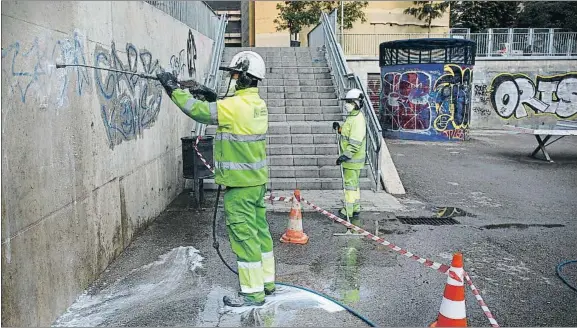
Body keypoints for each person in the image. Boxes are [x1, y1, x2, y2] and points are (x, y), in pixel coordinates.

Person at [156, 51, 275, 307]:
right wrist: (214, 98)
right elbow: (227, 110)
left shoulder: (233, 107)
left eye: (233, 74)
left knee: (243, 237)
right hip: (256, 183)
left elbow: (197, 111)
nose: (231, 78)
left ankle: (252, 292)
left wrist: (173, 89)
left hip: (239, 186)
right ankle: (267, 282)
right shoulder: (257, 105)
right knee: (260, 233)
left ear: (242, 77)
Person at [332, 88, 367, 227]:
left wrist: (344, 156)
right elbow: (348, 133)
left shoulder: (358, 120)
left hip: (352, 160)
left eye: (349, 102)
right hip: (352, 160)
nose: (347, 104)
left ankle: (348, 210)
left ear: (356, 103)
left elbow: (355, 143)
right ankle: (356, 208)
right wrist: (339, 129)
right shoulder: (352, 117)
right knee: (354, 185)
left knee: (349, 187)